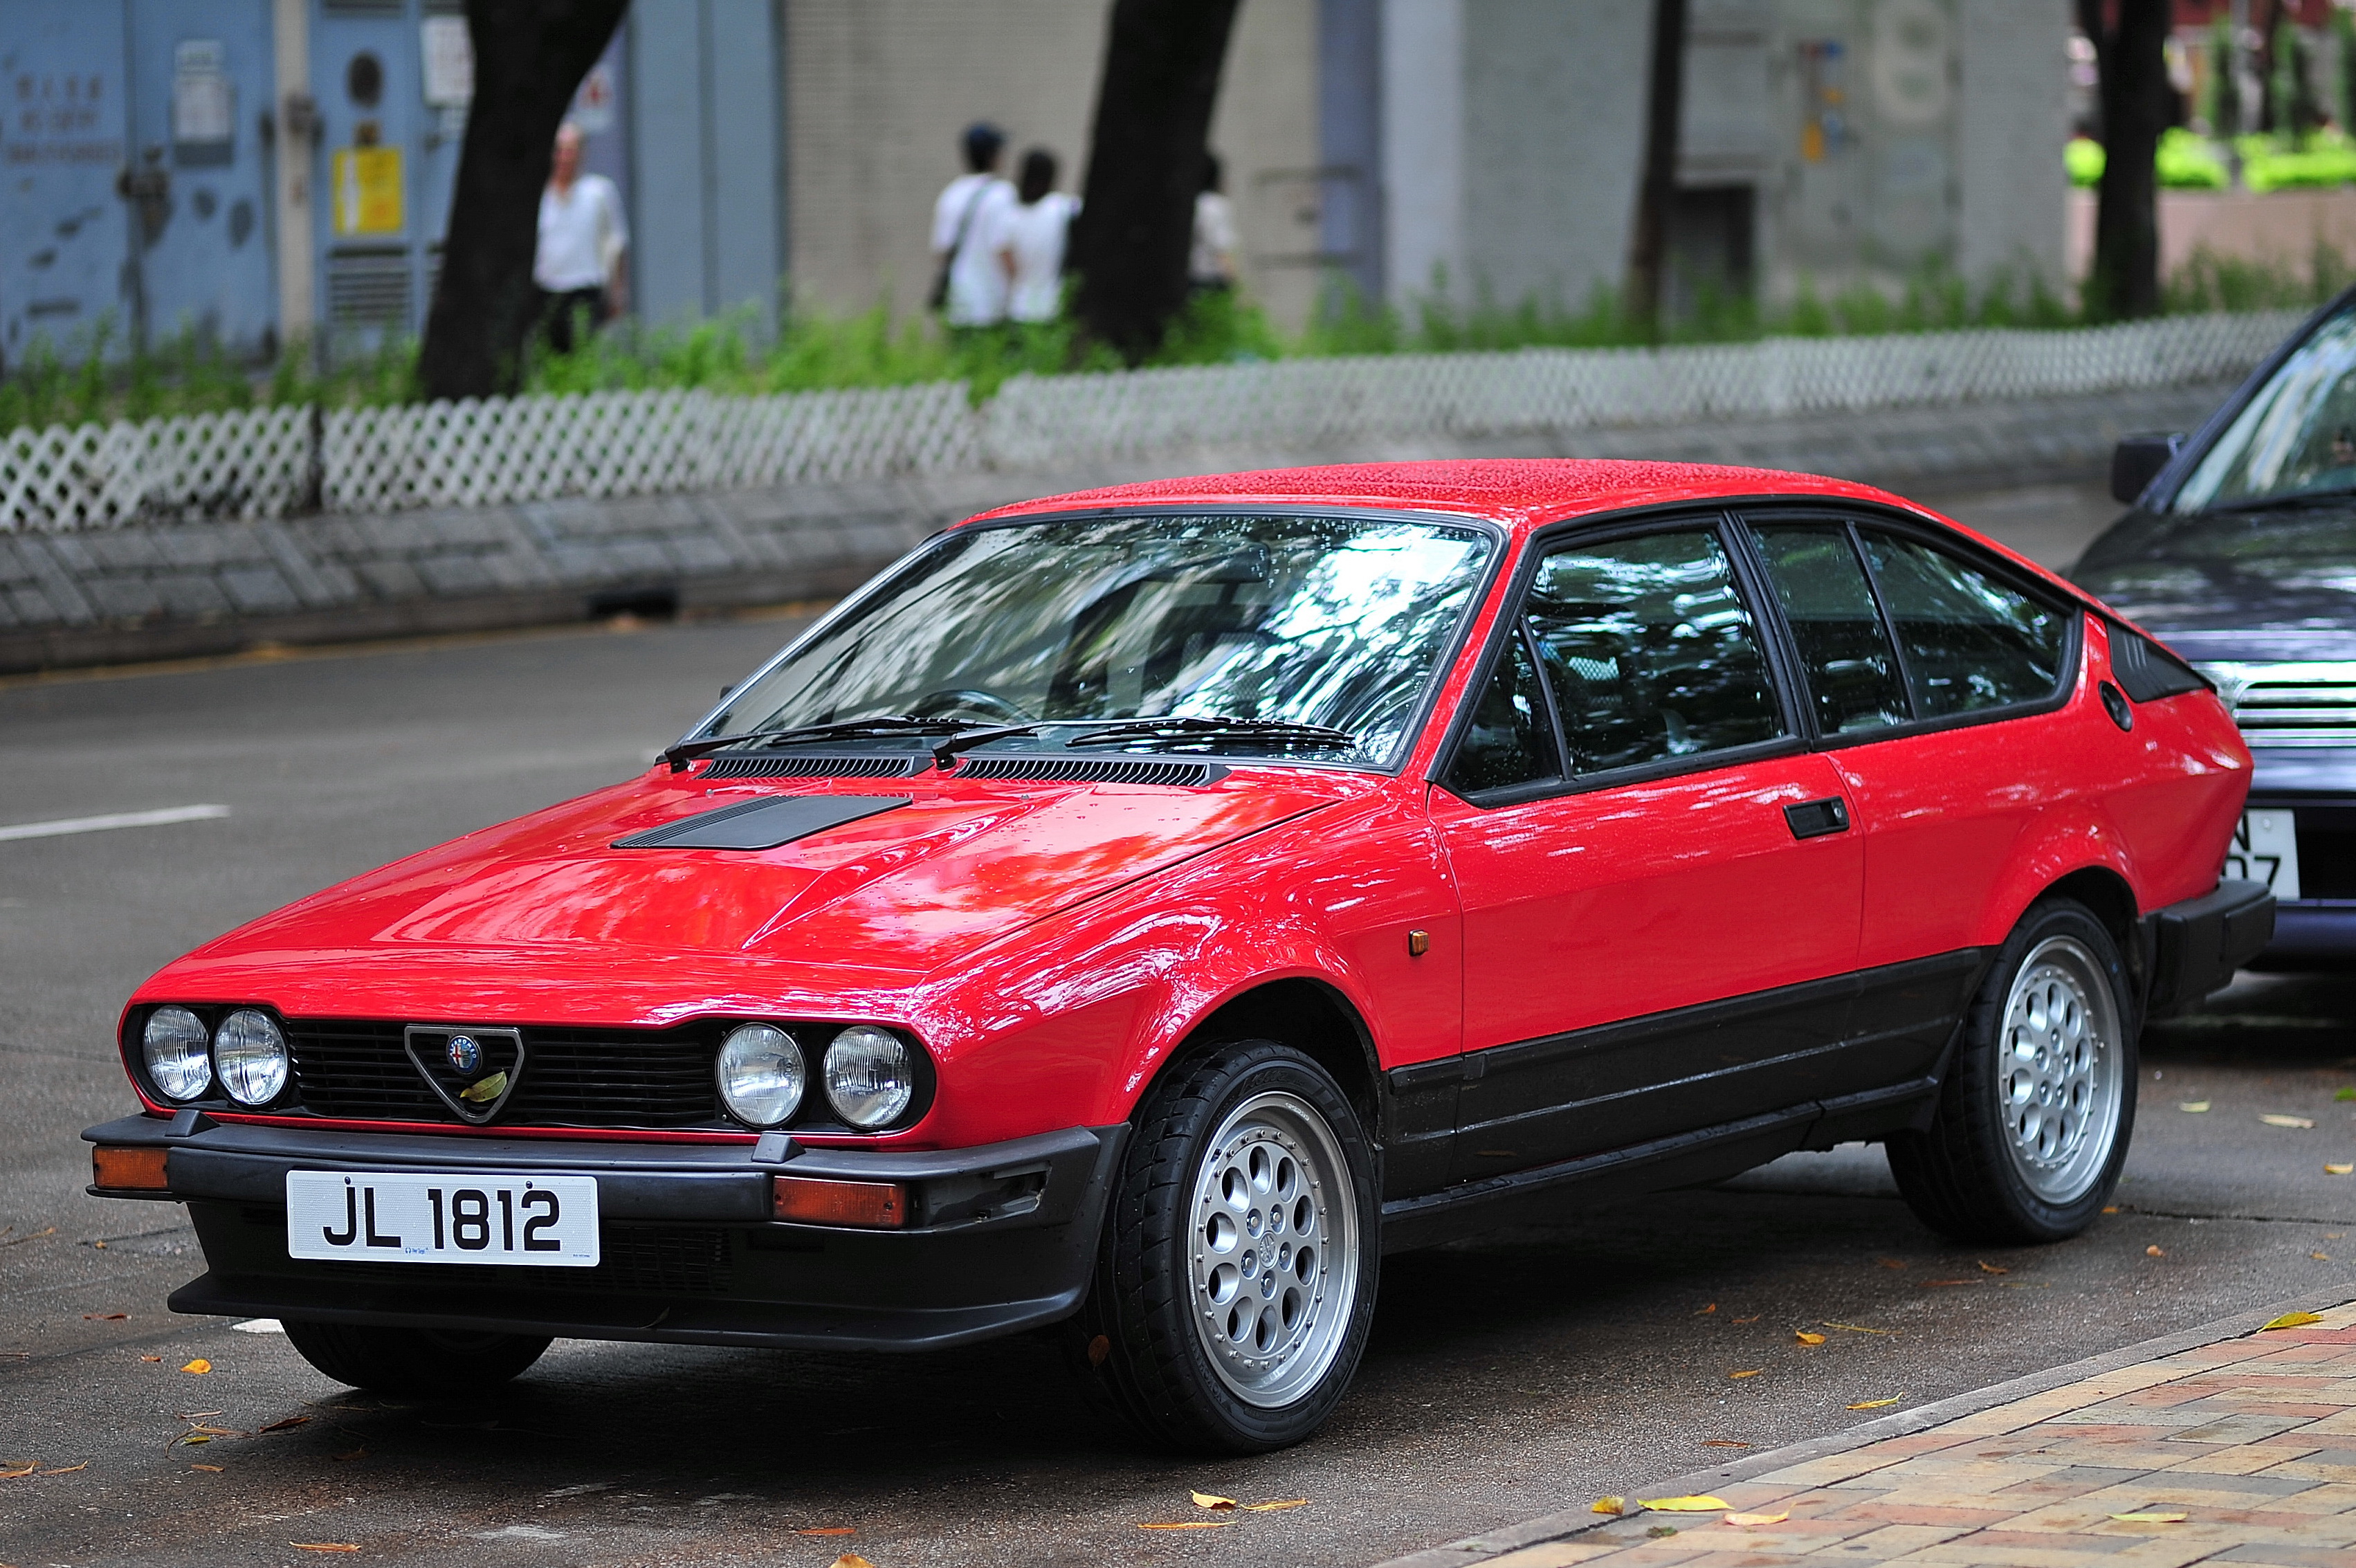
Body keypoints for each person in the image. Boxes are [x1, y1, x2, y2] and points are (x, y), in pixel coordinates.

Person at [534, 121, 628, 354]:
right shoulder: (541, 198)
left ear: (581, 153)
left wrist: (617, 294)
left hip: (586, 288)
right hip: (547, 290)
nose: (565, 157)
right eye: (560, 150)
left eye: (571, 150)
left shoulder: (598, 193)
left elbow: (617, 244)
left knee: (585, 354)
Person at [931, 122, 1017, 331]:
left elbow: (942, 252)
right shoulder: (1003, 194)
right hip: (992, 304)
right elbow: (1005, 249)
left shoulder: (951, 194)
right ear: (992, 155)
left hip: (958, 303)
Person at [992, 147, 1080, 325]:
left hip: (1018, 308)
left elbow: (1008, 263)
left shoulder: (1010, 215)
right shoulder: (1066, 209)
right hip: (1055, 306)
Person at [1189, 152, 1239, 293]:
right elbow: (1221, 250)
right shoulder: (1216, 206)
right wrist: (1234, 283)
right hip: (1211, 281)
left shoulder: (1187, 205)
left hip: (1189, 279)